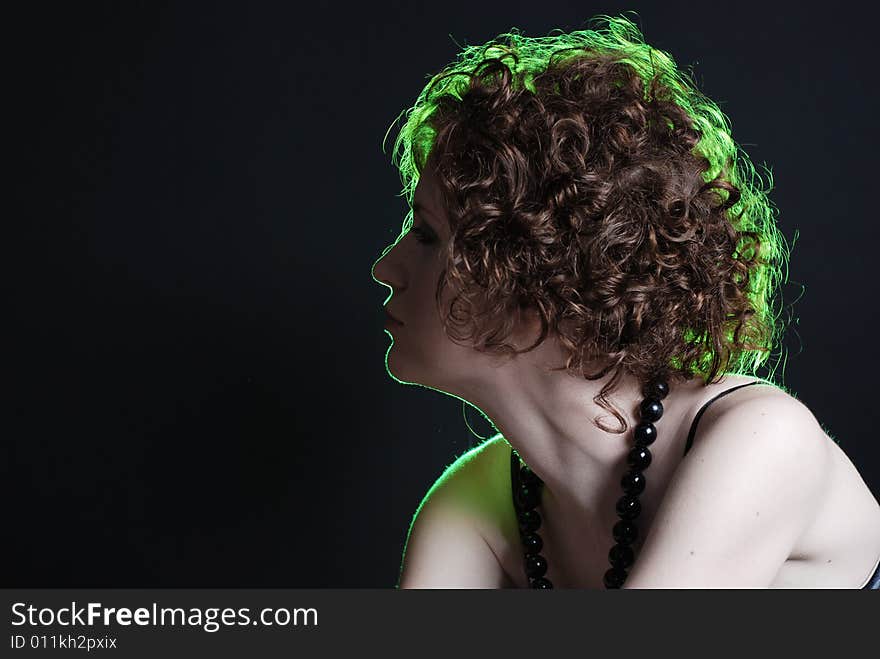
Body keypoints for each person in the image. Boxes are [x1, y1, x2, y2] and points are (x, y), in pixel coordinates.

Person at [370, 15, 880, 588]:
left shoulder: (760, 440)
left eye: (428, 235)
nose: (384, 268)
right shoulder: (475, 500)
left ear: (541, 278)